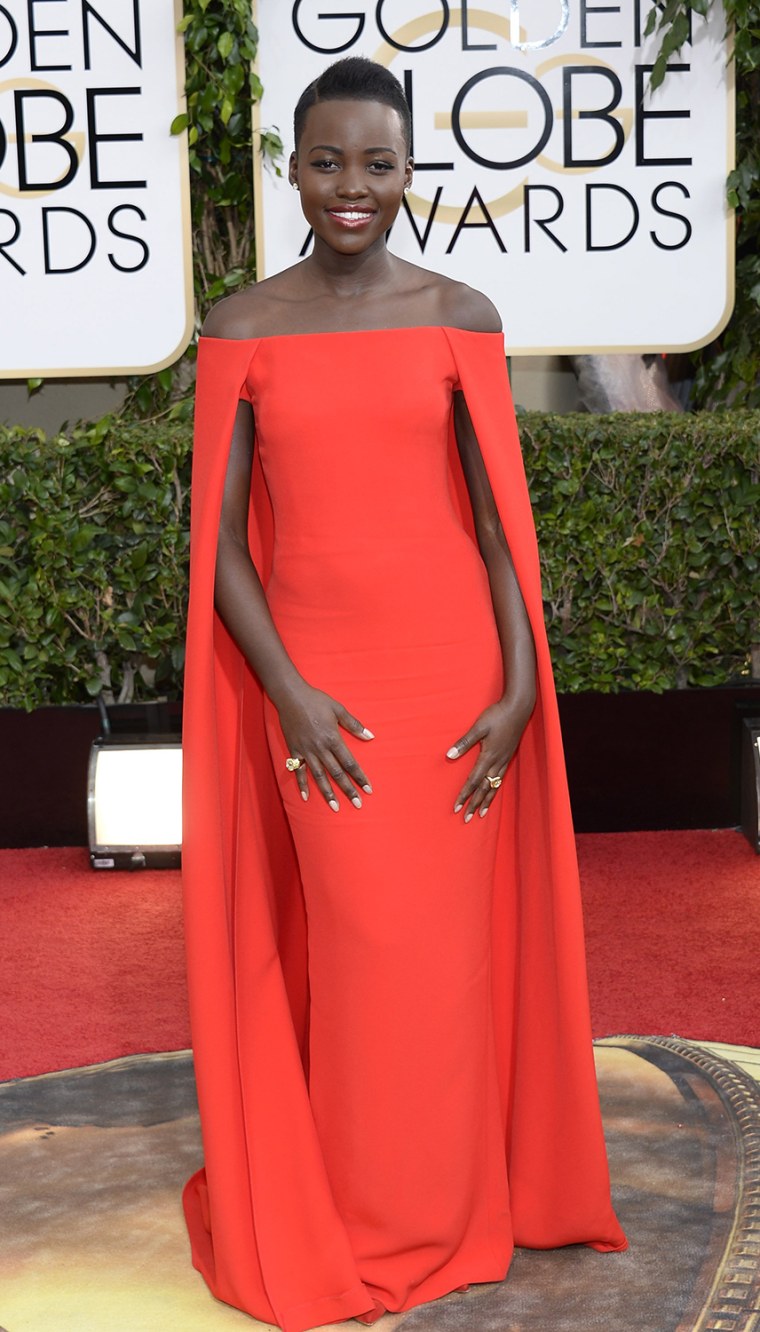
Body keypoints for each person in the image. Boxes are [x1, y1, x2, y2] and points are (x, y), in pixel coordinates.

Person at [181, 56, 626, 1332]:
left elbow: (498, 530)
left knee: (442, 965)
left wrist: (524, 686)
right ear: (294, 171)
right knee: (364, 951)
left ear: (411, 168)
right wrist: (290, 695)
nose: (352, 188)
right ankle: (368, 1221)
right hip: (320, 693)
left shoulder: (460, 314)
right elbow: (216, 553)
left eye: (377, 162)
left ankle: (447, 1211)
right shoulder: (241, 326)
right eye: (328, 162)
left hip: (454, 690)